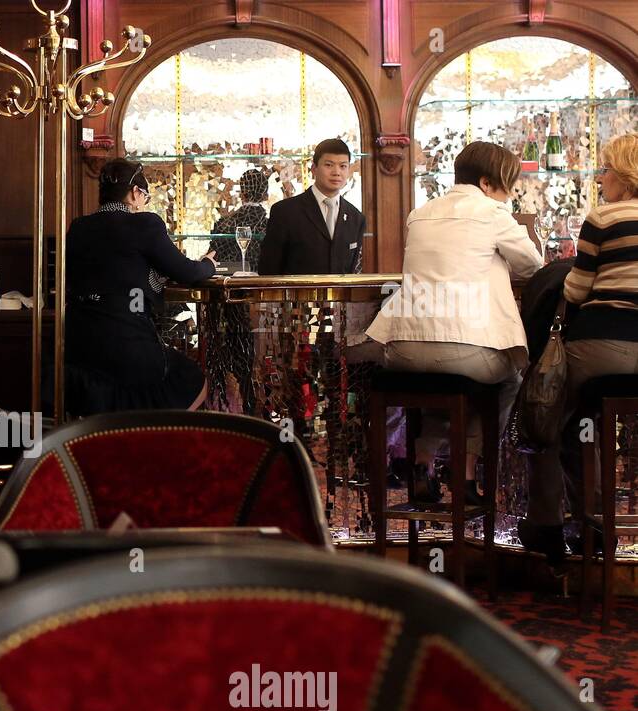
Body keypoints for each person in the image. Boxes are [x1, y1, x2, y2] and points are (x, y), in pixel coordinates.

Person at [366, 141, 542, 503]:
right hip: (462, 348)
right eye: (507, 186)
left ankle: (423, 461)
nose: (508, 196)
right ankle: (465, 473)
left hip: (401, 348)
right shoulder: (492, 213)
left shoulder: (420, 213)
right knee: (507, 379)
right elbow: (532, 265)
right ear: (488, 183)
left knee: (441, 384)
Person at [521, 133, 638, 563]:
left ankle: (552, 524)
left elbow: (576, 287)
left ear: (625, 176)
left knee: (549, 415)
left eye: (605, 169)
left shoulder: (604, 219)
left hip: (604, 345)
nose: (600, 178)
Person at [64, 158, 216, 416]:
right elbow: (188, 272)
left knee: (118, 397)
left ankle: (123, 441)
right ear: (135, 193)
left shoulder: (78, 228)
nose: (144, 203)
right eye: (145, 196)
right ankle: (151, 440)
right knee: (195, 380)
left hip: (81, 348)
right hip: (128, 343)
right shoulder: (144, 224)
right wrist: (208, 264)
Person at [208, 168, 270, 413]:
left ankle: (238, 411)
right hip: (264, 302)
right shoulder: (270, 223)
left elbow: (213, 261)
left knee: (237, 357)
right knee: (262, 360)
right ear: (265, 193)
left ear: (242, 191)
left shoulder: (225, 222)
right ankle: (261, 412)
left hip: (228, 300)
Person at [258, 138, 366, 275]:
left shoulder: (356, 218)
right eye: (329, 165)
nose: (336, 172)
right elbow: (268, 270)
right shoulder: (285, 212)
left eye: (343, 166)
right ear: (314, 169)